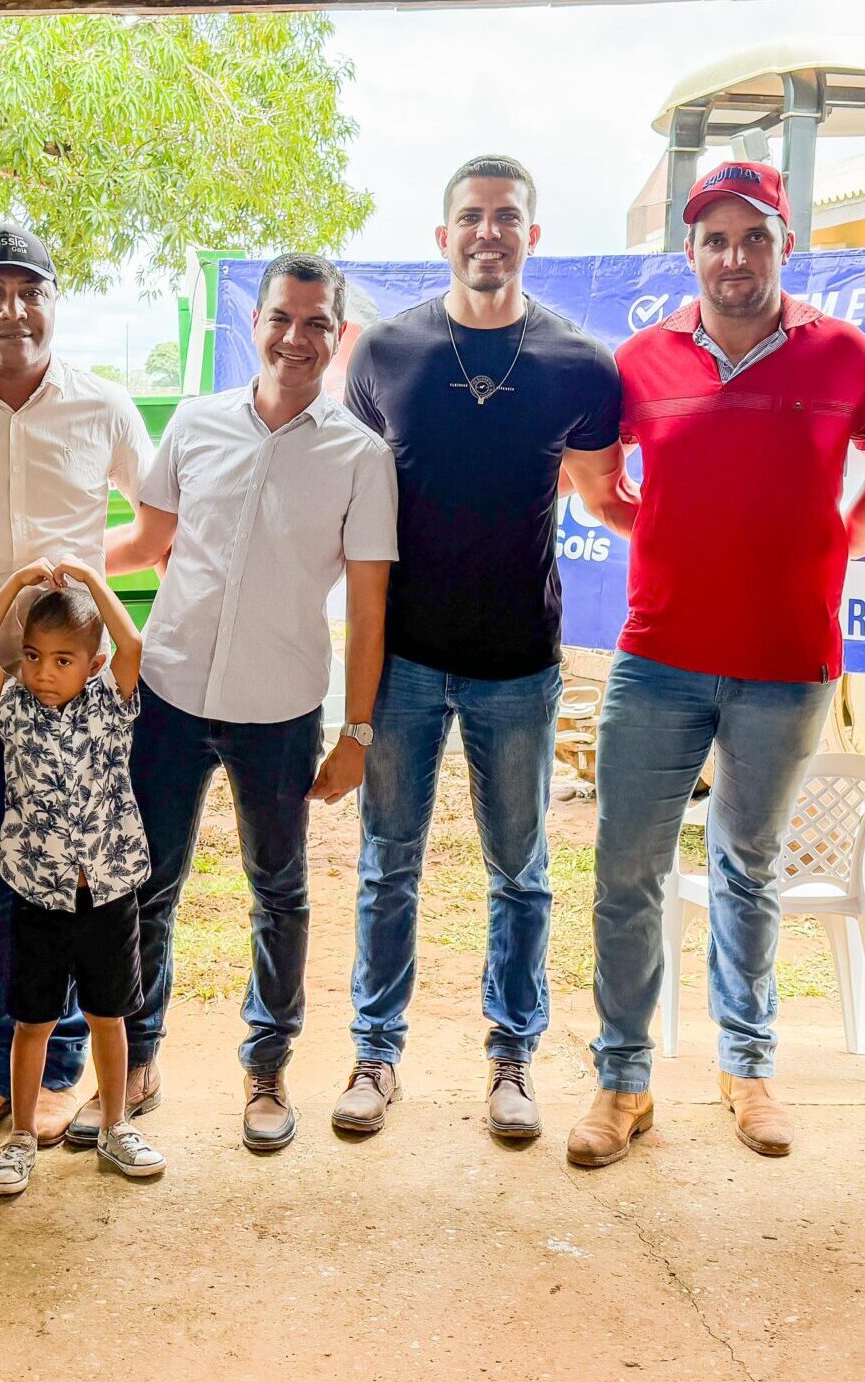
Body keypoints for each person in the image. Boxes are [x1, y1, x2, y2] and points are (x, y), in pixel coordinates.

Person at [570, 162, 865, 1168]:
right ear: (691, 253)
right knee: (626, 868)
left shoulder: (842, 353)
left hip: (787, 662)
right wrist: (655, 524)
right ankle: (623, 1082)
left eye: (753, 237)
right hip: (658, 656)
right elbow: (596, 482)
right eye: (714, 239)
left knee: (747, 866)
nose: (734, 257)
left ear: (783, 247)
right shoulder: (640, 358)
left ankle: (747, 1071)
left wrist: (835, 544)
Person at [335, 155, 622, 1144]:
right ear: (443, 234)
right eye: (470, 217)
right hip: (404, 658)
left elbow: (608, 498)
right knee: (387, 865)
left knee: (520, 871)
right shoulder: (384, 351)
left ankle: (511, 1060)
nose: (487, 233)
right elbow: (345, 498)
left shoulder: (578, 364)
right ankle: (375, 1055)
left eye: (505, 217)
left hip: (518, 662)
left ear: (531, 236)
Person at [104, 253, 398, 1151]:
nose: (296, 337)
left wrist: (355, 733)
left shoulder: (360, 455)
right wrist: (54, 556)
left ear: (337, 333)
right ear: (257, 323)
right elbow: (147, 539)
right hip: (170, 691)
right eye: (281, 317)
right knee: (146, 885)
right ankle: (139, 1060)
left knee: (280, 892)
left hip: (280, 707)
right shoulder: (195, 425)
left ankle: (266, 1068)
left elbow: (369, 605)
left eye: (317, 322)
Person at [0, 224, 153, 1154]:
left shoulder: (102, 404)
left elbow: (157, 518)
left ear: (55, 299)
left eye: (30, 290)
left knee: (82, 887)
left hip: (78, 697)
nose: (12, 308)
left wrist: (85, 582)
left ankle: (57, 1075)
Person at [0, 558, 163, 1195]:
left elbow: (131, 642)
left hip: (107, 894)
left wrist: (91, 584)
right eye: (32, 655)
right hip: (38, 899)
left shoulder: (112, 704)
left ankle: (115, 1128)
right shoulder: (13, 707)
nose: (44, 672)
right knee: (32, 1022)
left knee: (109, 1015)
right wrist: (17, 582)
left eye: (63, 659)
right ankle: (20, 1138)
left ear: (92, 664)